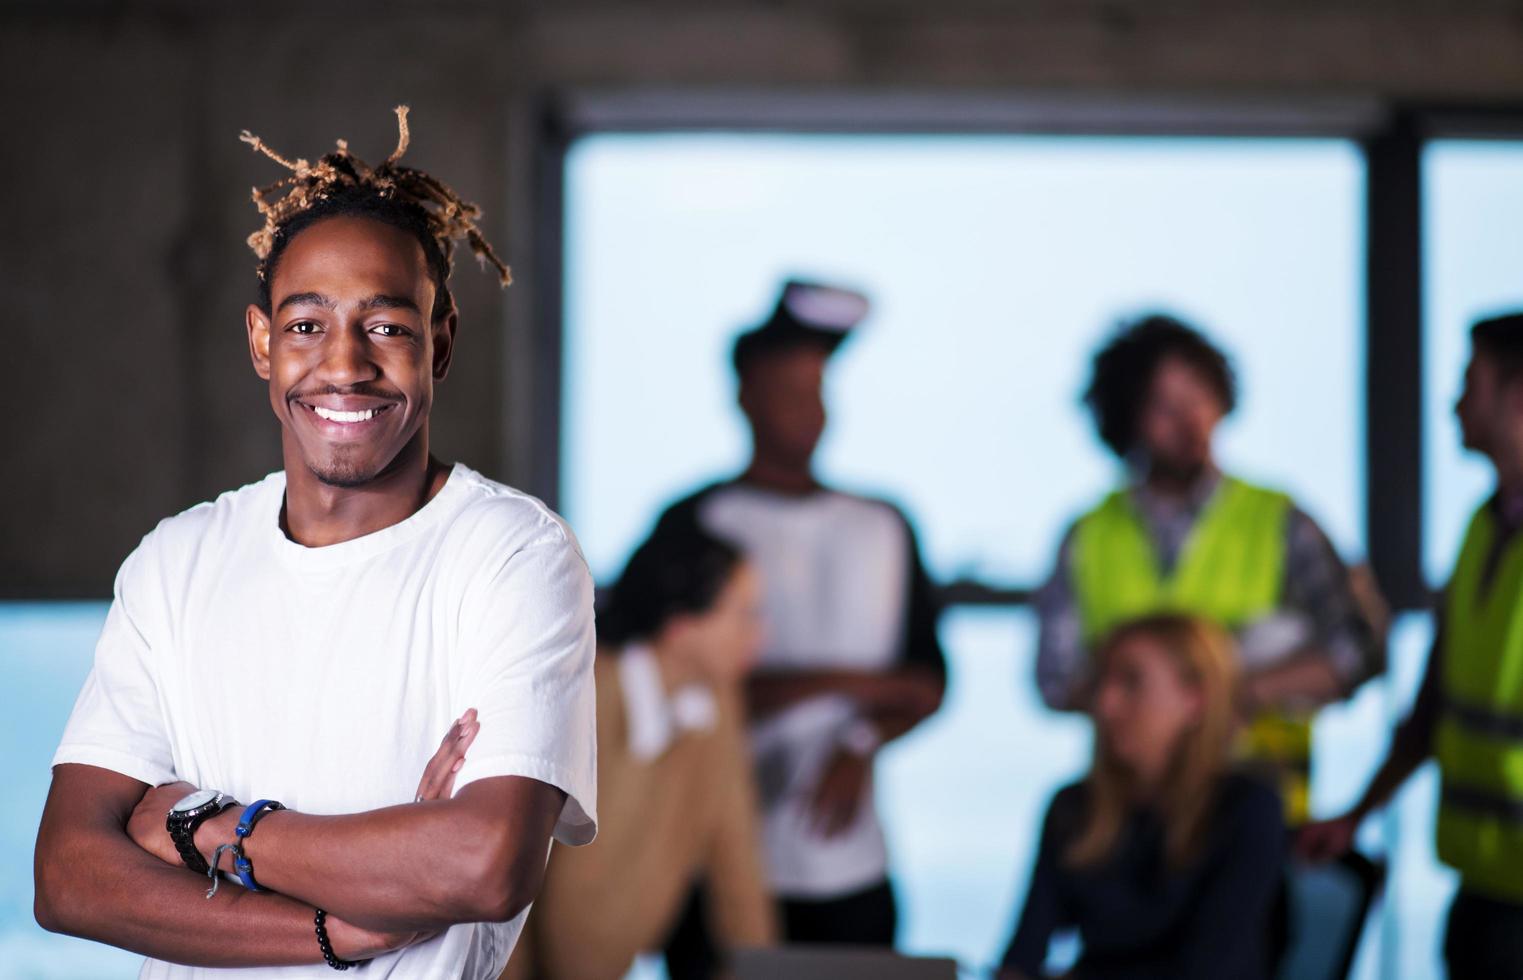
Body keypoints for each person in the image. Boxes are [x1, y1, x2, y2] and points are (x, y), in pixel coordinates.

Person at [32, 107, 598, 978]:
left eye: (386, 326)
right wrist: (346, 931)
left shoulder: (514, 555)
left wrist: (204, 824)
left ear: (438, 343)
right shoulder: (176, 562)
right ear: (262, 342)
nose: (344, 365)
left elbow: (482, 865)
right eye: (306, 325)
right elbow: (69, 878)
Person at [655, 280, 946, 948]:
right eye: (788, 392)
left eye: (817, 393)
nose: (808, 412)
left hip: (851, 866)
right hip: (717, 861)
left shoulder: (884, 524)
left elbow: (927, 681)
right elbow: (678, 689)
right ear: (745, 397)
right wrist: (863, 684)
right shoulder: (698, 521)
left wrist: (860, 739)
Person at [1036, 314, 1384, 825]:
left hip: (1265, 807)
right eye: (1164, 406)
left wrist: (1228, 691)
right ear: (1126, 417)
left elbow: (1359, 652)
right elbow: (1055, 680)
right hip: (1129, 819)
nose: (1190, 420)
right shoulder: (1088, 536)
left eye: (1201, 397)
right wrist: (1162, 700)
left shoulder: (1280, 522)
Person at [1299, 312, 1523, 977]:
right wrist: (1357, 815)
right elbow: (1432, 709)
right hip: (1484, 884)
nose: (1454, 403)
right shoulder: (1482, 528)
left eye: (1469, 382)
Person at [502, 521, 778, 979]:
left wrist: (763, 973)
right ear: (680, 626)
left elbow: (738, 868)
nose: (760, 635)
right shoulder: (579, 695)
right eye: (744, 614)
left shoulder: (717, 701)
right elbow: (507, 884)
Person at [999, 614, 1286, 980]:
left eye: (1132, 682)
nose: (1105, 703)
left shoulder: (1246, 809)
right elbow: (1022, 956)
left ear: (1194, 699)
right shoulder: (1073, 808)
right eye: (1101, 681)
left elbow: (1211, 968)